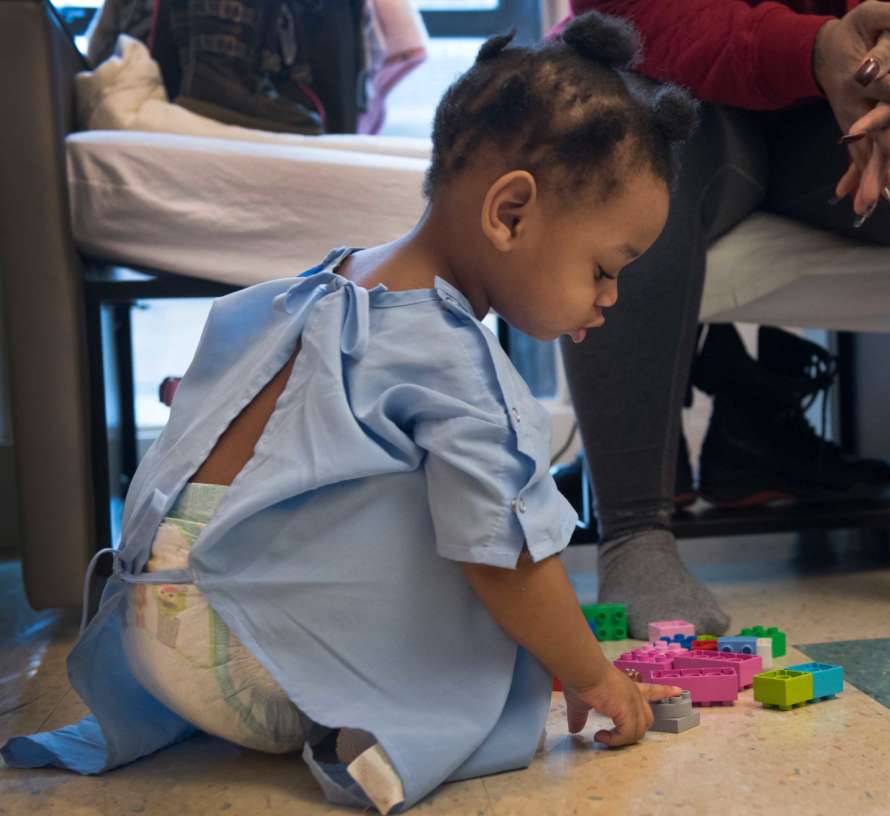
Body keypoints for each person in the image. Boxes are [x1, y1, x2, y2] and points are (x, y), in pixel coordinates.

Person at [0, 14, 696, 813]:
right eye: (603, 270)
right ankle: (383, 732)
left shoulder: (327, 280)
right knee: (491, 515)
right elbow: (502, 561)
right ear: (509, 214)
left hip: (153, 615)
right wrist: (589, 672)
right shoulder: (449, 354)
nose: (608, 301)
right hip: (246, 658)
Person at [560, 0, 890, 638]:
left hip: (855, 111)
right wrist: (811, 50)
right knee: (621, 122)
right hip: (691, 90)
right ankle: (632, 536)